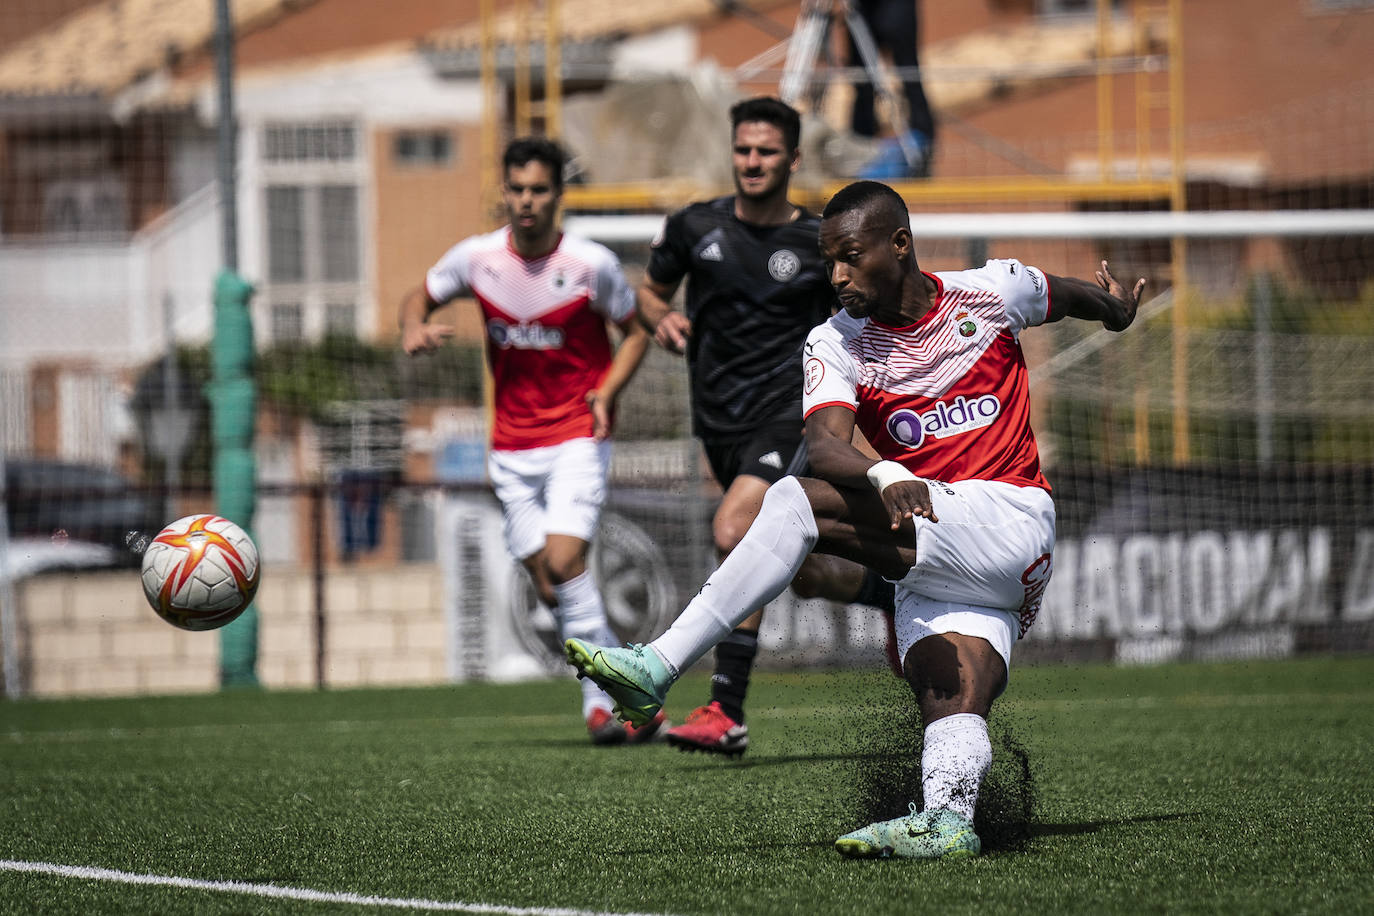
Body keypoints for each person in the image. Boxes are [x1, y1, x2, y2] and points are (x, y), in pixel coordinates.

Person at [566, 179, 1146, 857]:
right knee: (946, 692)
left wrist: (1115, 312)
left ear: (899, 245)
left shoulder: (994, 289)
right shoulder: (835, 343)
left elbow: (1072, 296)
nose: (837, 275)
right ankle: (947, 822)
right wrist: (885, 472)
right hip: (947, 559)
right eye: (828, 260)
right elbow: (825, 445)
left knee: (791, 500)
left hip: (1010, 517)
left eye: (851, 256)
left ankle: (656, 667)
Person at [636, 97, 898, 757]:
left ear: (793, 159)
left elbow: (860, 315)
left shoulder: (815, 243)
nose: (753, 161)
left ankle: (726, 708)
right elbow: (649, 292)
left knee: (733, 530)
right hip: (720, 426)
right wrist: (657, 319)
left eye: (767, 151)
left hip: (789, 415)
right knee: (802, 573)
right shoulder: (694, 228)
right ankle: (890, 592)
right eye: (744, 149)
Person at [400, 137, 655, 746]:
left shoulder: (593, 265)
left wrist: (607, 391)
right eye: (516, 189)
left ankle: (599, 703)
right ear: (504, 193)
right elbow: (422, 292)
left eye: (539, 190)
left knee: (566, 563)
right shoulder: (477, 259)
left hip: (576, 437)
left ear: (558, 196)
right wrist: (412, 323)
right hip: (510, 451)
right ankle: (634, 688)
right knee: (551, 585)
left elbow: (638, 333)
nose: (526, 201)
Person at [848, 0, 936, 178]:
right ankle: (859, 151)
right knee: (862, 82)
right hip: (860, 8)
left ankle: (922, 152)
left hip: (894, 6)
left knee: (909, 74)